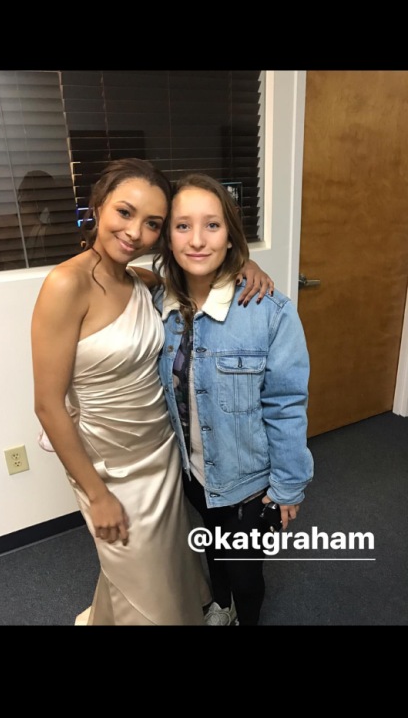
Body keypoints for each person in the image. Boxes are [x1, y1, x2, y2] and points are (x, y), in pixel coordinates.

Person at [31, 158, 274, 626]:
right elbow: (47, 405)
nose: (134, 232)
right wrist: (97, 495)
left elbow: (196, 278)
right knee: (136, 567)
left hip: (160, 451)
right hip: (109, 464)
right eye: (124, 212)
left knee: (160, 567)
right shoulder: (65, 284)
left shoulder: (141, 281)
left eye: (152, 224)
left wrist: (244, 263)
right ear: (98, 206)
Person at [152, 172, 314, 626]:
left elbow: (286, 405)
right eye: (182, 226)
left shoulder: (269, 312)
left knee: (245, 574)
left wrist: (288, 485)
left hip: (248, 483)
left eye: (212, 225)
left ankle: (244, 614)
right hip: (194, 473)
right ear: (168, 236)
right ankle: (220, 606)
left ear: (230, 235)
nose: (197, 240)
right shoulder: (159, 306)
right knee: (213, 545)